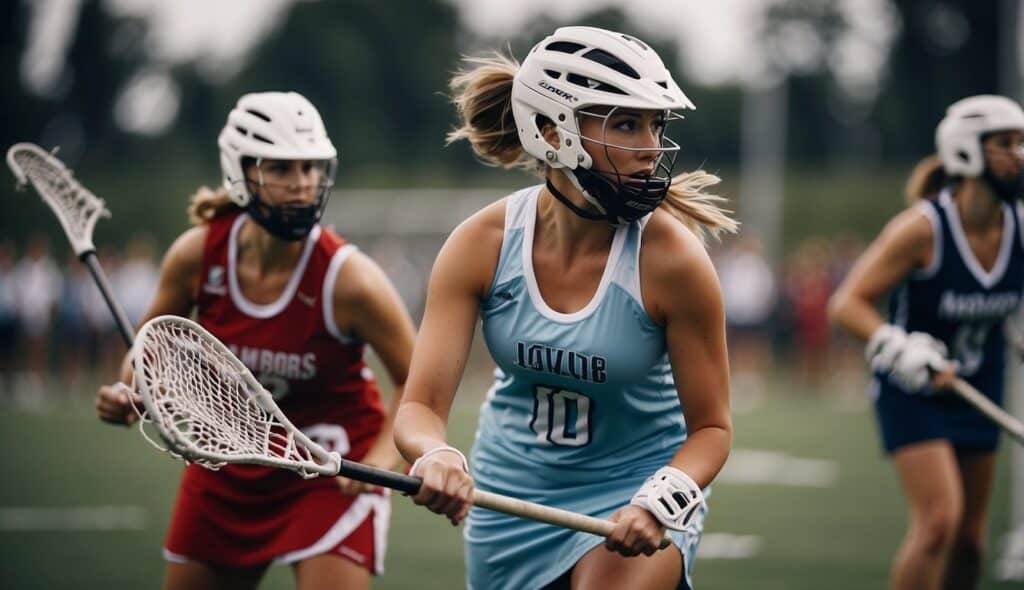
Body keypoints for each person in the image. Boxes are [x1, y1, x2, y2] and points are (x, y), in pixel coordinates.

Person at [393, 27, 735, 590]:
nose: (651, 145)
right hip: (509, 501)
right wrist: (437, 455)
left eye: (656, 124)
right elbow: (420, 407)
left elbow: (713, 428)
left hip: (636, 489)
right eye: (627, 123)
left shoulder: (674, 260)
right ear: (552, 131)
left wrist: (659, 501)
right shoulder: (481, 244)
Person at [93, 91, 416, 590]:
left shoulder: (351, 280)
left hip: (327, 467)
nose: (302, 185)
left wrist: (376, 461)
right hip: (229, 456)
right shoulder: (197, 255)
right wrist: (131, 393)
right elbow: (145, 354)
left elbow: (416, 386)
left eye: (311, 169)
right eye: (283, 169)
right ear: (241, 171)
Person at [828, 94, 1024, 590]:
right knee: (940, 522)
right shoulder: (922, 228)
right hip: (914, 389)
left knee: (971, 539)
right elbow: (847, 304)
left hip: (980, 385)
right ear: (966, 151)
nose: (1019, 154)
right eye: (1006, 143)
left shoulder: (1019, 227)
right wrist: (901, 347)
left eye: (1022, 143)